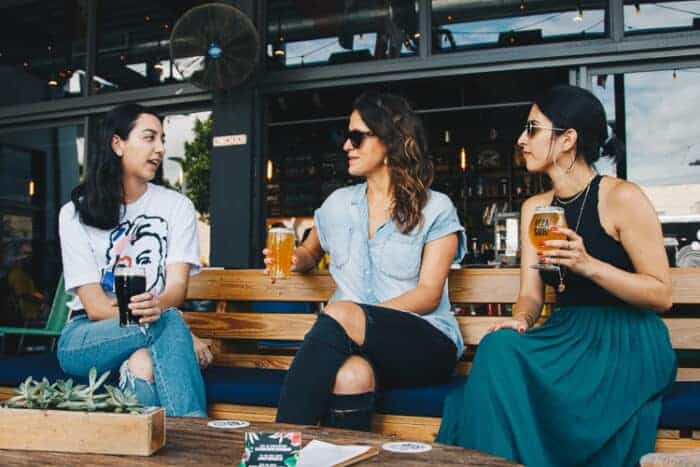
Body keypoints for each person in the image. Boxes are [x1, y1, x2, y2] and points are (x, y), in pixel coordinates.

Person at [437, 85, 677, 466]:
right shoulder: (536, 208)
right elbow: (531, 294)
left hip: (625, 339)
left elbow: (662, 295)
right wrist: (520, 319)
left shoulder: (621, 197)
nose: (521, 140)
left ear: (568, 140)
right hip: (564, 333)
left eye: (532, 129)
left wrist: (589, 265)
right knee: (498, 351)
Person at [264, 92, 466, 431]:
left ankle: (278, 444)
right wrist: (291, 259)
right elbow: (311, 253)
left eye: (357, 136)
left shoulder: (436, 208)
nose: (346, 145)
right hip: (357, 346)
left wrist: (360, 319)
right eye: (347, 136)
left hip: (423, 342)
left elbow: (430, 294)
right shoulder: (338, 204)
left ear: (390, 140)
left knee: (342, 311)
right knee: (350, 376)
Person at [57, 103, 211, 416]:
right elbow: (97, 306)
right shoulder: (74, 213)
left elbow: (177, 288)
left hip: (150, 328)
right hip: (85, 337)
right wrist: (172, 323)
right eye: (149, 138)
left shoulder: (176, 207)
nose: (160, 149)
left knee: (143, 363)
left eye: (163, 140)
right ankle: (196, 432)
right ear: (118, 143)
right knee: (169, 320)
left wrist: (160, 311)